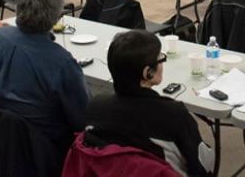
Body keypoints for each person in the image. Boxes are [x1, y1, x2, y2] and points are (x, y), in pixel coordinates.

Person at [0, 0, 89, 153]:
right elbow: (83, 120)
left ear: (18, 7)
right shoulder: (63, 63)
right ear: (57, 15)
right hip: (39, 150)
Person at [84, 30, 214, 176]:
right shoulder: (173, 115)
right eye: (160, 58)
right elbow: (202, 165)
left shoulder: (95, 106)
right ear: (148, 73)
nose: (162, 62)